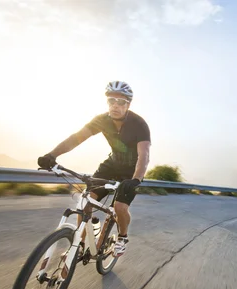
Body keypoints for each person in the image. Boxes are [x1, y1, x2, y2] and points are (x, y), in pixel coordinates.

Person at [37, 81, 151, 259]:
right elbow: (75, 139)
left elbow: (144, 155)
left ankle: (122, 238)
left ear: (129, 104)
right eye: (111, 100)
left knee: (120, 206)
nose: (115, 105)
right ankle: (79, 245)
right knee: (86, 201)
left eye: (121, 102)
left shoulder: (139, 124)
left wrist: (136, 180)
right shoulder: (101, 120)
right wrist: (52, 155)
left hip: (131, 171)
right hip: (111, 165)